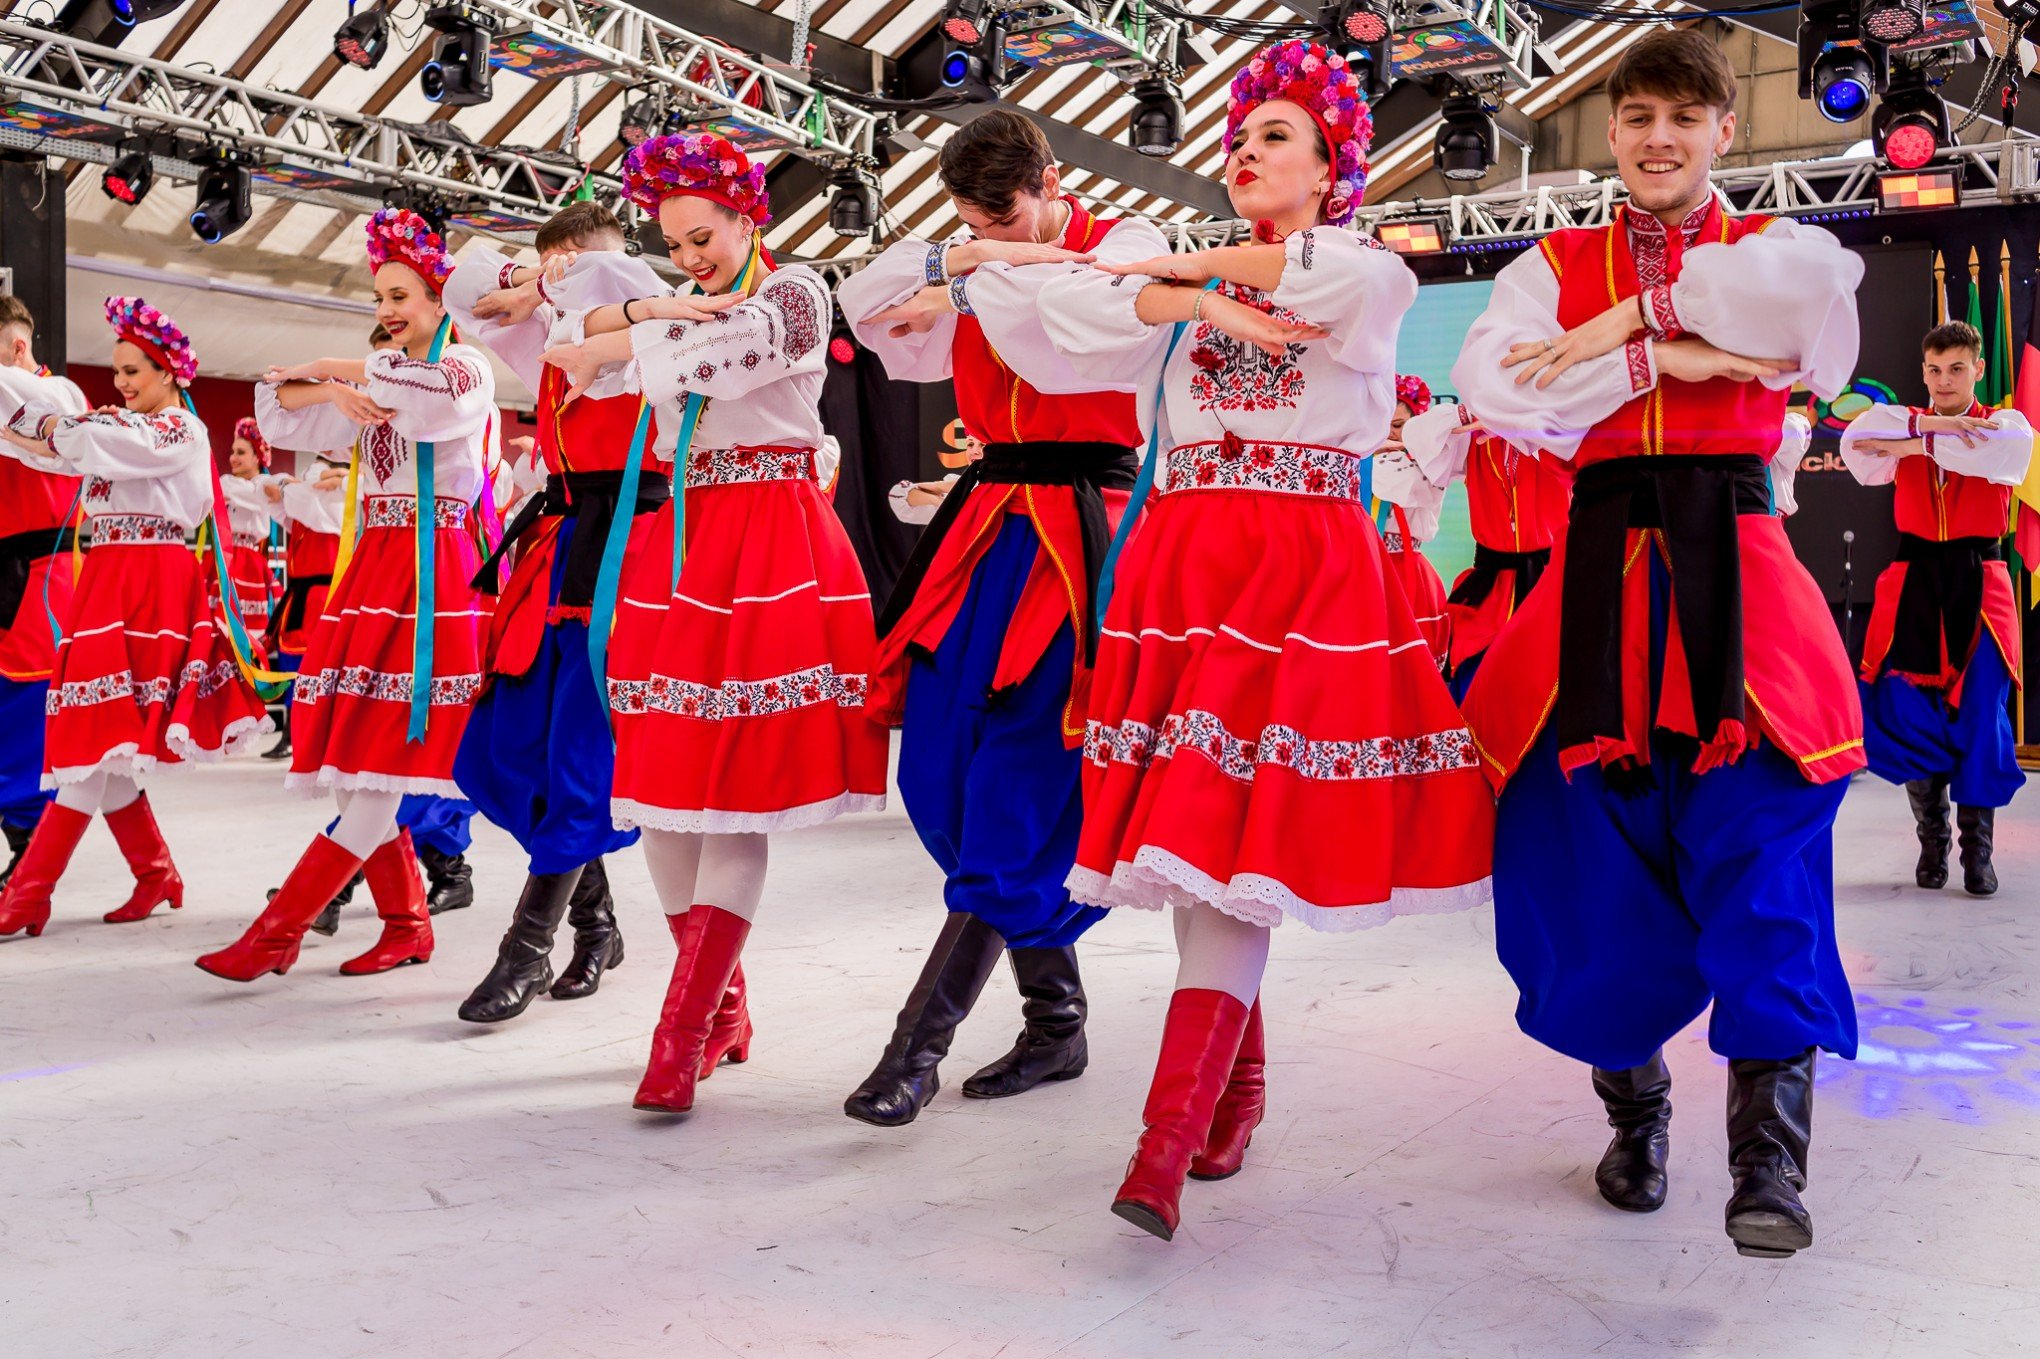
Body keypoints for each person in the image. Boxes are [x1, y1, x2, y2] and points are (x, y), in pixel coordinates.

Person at [1038, 39, 1495, 1241]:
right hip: (1184, 565)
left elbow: (1336, 293)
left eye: (1274, 137)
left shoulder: (1359, 264)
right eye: (1237, 140)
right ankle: (1227, 1091)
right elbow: (1054, 310)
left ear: (1332, 163)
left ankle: (1166, 1142)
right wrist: (1183, 290)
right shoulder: (1175, 283)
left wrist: (1175, 276)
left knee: (1228, 838)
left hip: (1298, 569)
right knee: (1205, 837)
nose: (1245, 153)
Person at [1451, 28, 1864, 1258]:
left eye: (1684, 117)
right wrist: (1686, 356)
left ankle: (1768, 1164)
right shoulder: (1546, 261)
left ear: (1724, 132)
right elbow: (1506, 389)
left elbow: (1807, 326)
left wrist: (1637, 325)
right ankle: (1635, 1114)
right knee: (1580, 860)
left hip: (1739, 582)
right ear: (1614, 132)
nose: (1658, 137)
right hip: (1593, 584)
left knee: (1766, 853)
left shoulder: (1774, 244)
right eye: (1637, 116)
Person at [541, 133, 886, 1114]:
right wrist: (642, 310)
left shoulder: (799, 292)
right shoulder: (684, 298)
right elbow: (568, 337)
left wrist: (629, 332)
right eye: (673, 243)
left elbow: (714, 362)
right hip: (680, 542)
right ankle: (721, 1010)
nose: (690, 257)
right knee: (659, 789)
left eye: (703, 235)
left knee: (732, 790)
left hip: (769, 540)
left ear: (747, 217)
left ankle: (680, 1031)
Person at [833, 108, 1144, 1128]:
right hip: (987, 529)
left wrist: (973, 275)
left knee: (1018, 783)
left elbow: (1070, 345)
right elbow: (863, 305)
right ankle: (1057, 1018)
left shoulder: (1125, 250)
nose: (996, 233)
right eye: (973, 217)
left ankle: (911, 1056)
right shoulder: (975, 261)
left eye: (1006, 211)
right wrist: (951, 253)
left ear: (1051, 179)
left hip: (1081, 536)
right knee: (936, 769)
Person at [197, 210, 492, 982]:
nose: (388, 311)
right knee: (369, 762)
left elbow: (434, 405)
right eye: (380, 298)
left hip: (433, 566)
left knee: (394, 760)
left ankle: (278, 932)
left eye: (401, 295)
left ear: (439, 299)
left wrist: (343, 368)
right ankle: (405, 923)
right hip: (379, 567)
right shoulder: (379, 377)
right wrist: (334, 381)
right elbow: (277, 397)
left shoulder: (465, 371)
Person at [440, 200, 667, 1021]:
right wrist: (536, 284)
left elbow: (614, 279)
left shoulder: (657, 320)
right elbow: (463, 281)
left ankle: (525, 950)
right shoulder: (549, 323)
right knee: (505, 748)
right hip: (562, 542)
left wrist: (547, 280)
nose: (567, 272)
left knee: (581, 755)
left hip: (628, 551)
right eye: (554, 259)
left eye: (582, 258)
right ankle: (597, 920)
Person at [0, 297, 271, 937]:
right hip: (108, 581)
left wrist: (41, 429)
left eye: (134, 372)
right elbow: (61, 451)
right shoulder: (126, 428)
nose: (121, 384)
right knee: (106, 741)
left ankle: (28, 896)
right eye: (118, 371)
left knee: (96, 746)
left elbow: (84, 439)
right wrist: (31, 434)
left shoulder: (177, 431)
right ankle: (154, 873)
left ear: (171, 373)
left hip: (151, 587)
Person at [1841, 321, 2030, 895]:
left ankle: (1978, 851)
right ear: (1922, 371)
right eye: (1932, 369)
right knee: (1908, 709)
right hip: (1914, 580)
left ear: (1977, 369)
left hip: (1982, 581)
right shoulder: (1899, 418)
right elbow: (1858, 442)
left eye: (1954, 369)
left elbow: (1993, 455)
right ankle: (1933, 841)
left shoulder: (2009, 425)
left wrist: (1909, 444)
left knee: (1979, 714)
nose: (1943, 380)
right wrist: (1930, 430)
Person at [1382, 397, 1573, 695]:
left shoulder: (1559, 434)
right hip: (1491, 588)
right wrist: (1471, 411)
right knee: (1478, 674)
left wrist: (1527, 416)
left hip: (1553, 583)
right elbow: (1416, 433)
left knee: (1552, 676)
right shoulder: (1471, 438)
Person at [0, 295, 86, 889]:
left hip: (40, 579)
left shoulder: (60, 398)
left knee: (25, 713)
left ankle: (32, 862)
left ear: (17, 349)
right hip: (14, 574)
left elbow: (55, 426)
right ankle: (152, 871)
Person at [1372, 374, 1452, 669]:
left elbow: (1395, 485)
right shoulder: (1358, 459)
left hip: (1407, 574)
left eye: (1398, 426)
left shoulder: (1428, 464)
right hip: (1366, 570)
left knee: (1411, 669)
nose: (1390, 435)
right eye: (1382, 426)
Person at [215, 417, 281, 645]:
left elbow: (259, 493)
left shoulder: (263, 483)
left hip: (248, 564)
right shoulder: (228, 484)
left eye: (241, 452)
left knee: (246, 632)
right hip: (224, 560)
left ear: (257, 456)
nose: (233, 458)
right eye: (233, 451)